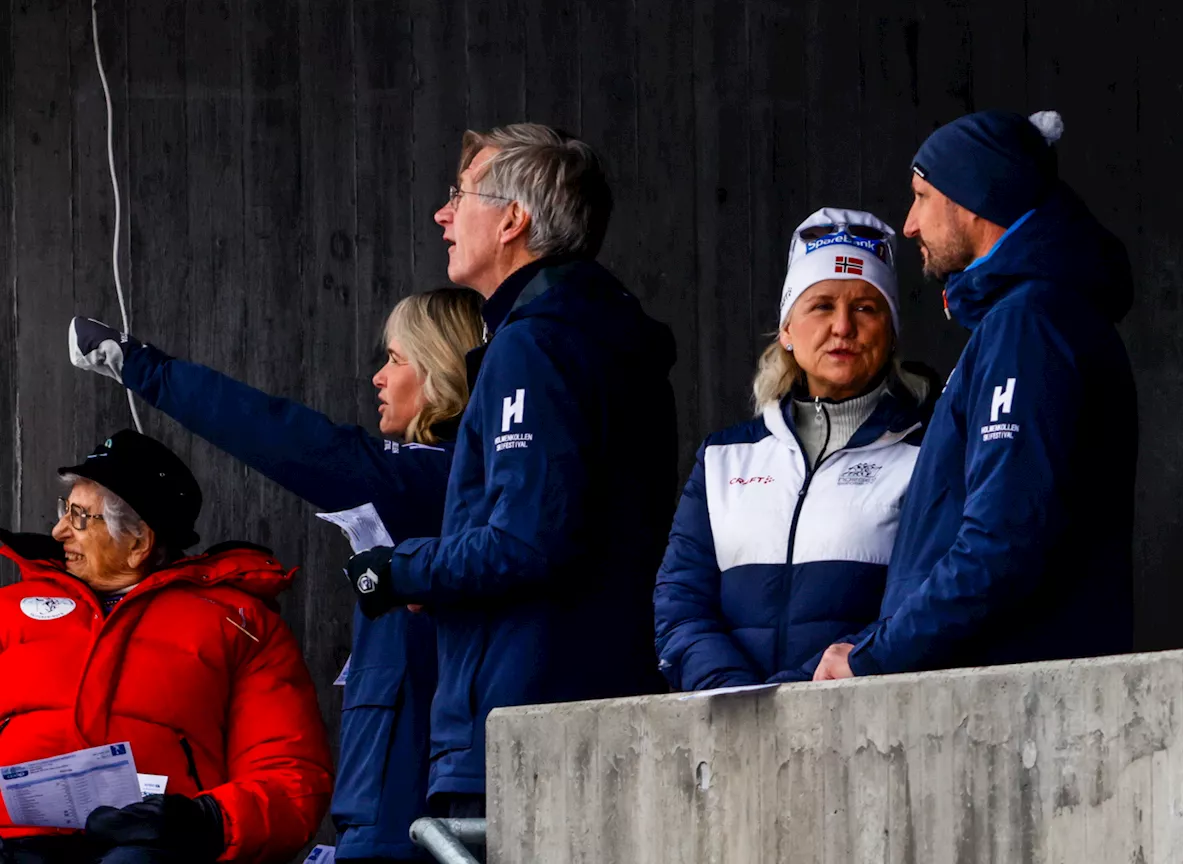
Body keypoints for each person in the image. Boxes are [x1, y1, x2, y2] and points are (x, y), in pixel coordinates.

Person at [68, 288, 484, 863]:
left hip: (408, 825)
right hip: (385, 821)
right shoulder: (431, 488)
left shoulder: (431, 482)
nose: (378, 379)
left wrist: (144, 367)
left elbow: (284, 437)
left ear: (441, 371)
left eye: (396, 359)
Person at [344, 123, 677, 817]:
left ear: (512, 221)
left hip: (519, 722)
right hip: (589, 705)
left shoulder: (537, 344)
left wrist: (400, 570)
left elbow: (527, 540)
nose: (442, 215)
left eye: (459, 196)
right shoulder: (599, 334)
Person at [813, 109, 1137, 681]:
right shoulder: (1030, 319)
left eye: (921, 196)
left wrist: (876, 656)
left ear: (971, 198)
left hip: (1015, 701)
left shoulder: (1027, 327)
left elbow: (1003, 543)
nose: (909, 224)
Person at [0, 431, 332, 864]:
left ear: (139, 542)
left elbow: (291, 776)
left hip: (155, 850)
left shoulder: (238, 623)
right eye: (64, 510)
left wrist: (204, 821)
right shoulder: (10, 609)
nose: (58, 530)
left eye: (79, 517)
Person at [653, 209, 933, 689]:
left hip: (863, 729)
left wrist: (797, 697)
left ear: (890, 334)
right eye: (821, 305)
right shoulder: (723, 458)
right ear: (787, 329)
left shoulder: (924, 454)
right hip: (732, 728)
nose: (843, 326)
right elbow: (679, 601)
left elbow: (916, 605)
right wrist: (732, 692)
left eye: (866, 308)